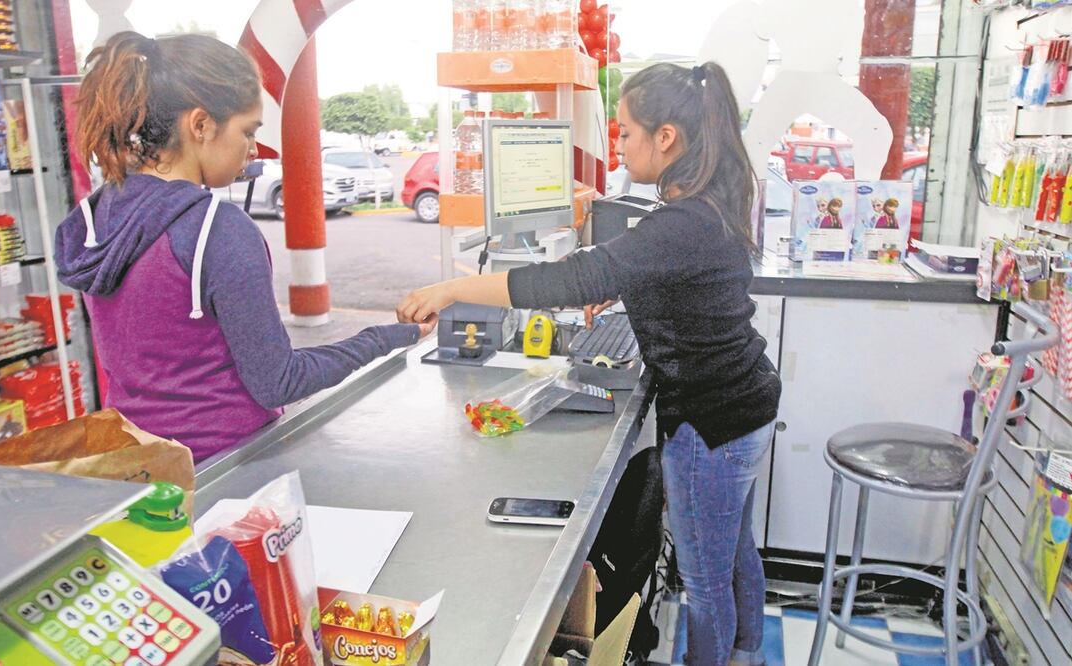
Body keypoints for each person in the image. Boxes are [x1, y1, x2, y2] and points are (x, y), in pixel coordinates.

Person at [397, 62, 781, 666]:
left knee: (707, 584)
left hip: (714, 423)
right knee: (734, 554)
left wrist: (455, 290)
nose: (617, 143)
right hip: (744, 405)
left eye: (625, 131)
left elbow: (571, 276)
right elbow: (684, 285)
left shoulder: (682, 223)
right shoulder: (706, 206)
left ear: (667, 138)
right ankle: (748, 653)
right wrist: (634, 287)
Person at [55, 32, 432, 462]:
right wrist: (384, 338)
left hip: (138, 468)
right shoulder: (216, 229)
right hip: (227, 470)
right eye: (248, 131)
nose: (253, 149)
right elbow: (278, 382)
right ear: (200, 125)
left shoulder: (96, 217)